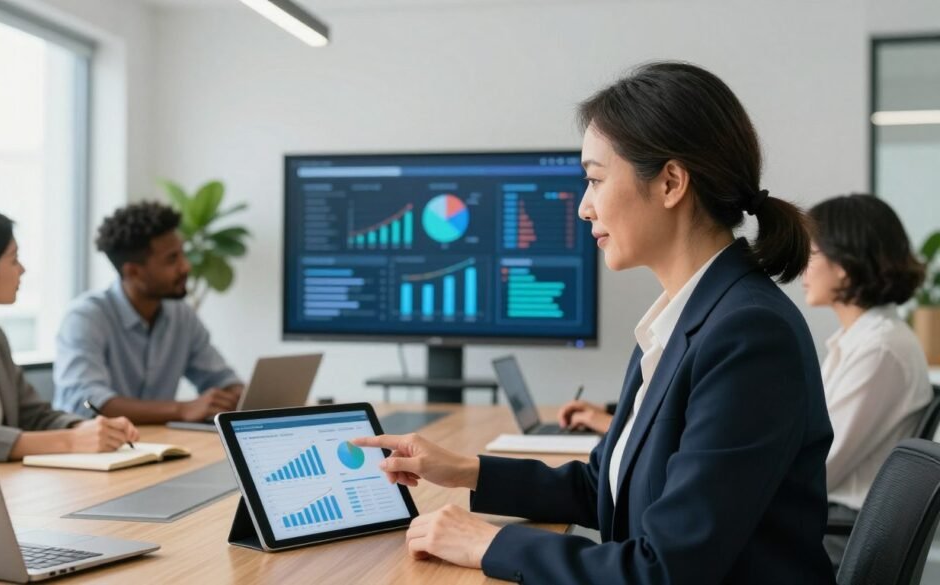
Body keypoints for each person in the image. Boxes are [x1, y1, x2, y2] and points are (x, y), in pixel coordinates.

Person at [354, 61, 836, 584]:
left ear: (671, 182)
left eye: (595, 180)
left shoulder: (749, 335)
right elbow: (602, 486)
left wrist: (488, 543)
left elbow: (665, 571)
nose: (584, 207)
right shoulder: (683, 319)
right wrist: (465, 470)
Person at [0, 205, 138, 462]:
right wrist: (70, 441)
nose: (22, 269)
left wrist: (86, 428)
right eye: (13, 260)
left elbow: (33, 415)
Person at [804, 194, 931, 568]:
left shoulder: (880, 350)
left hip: (839, 537)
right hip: (831, 525)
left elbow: (819, 466)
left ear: (844, 265)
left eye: (811, 254)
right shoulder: (864, 341)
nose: (802, 267)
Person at [52, 202, 244, 424]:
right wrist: (181, 409)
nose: (186, 267)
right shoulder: (86, 318)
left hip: (157, 441)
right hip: (92, 443)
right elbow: (88, 403)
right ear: (133, 272)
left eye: (183, 254)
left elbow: (221, 379)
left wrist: (240, 394)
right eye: (172, 259)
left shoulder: (181, 315)